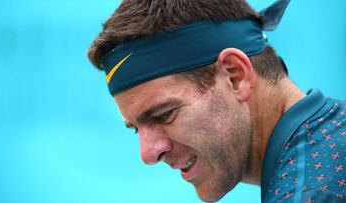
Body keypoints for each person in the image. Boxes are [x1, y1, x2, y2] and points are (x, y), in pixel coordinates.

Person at [87, 0, 346, 202]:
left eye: (164, 114)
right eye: (135, 129)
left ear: (236, 76)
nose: (147, 154)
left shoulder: (308, 194)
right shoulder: (334, 130)